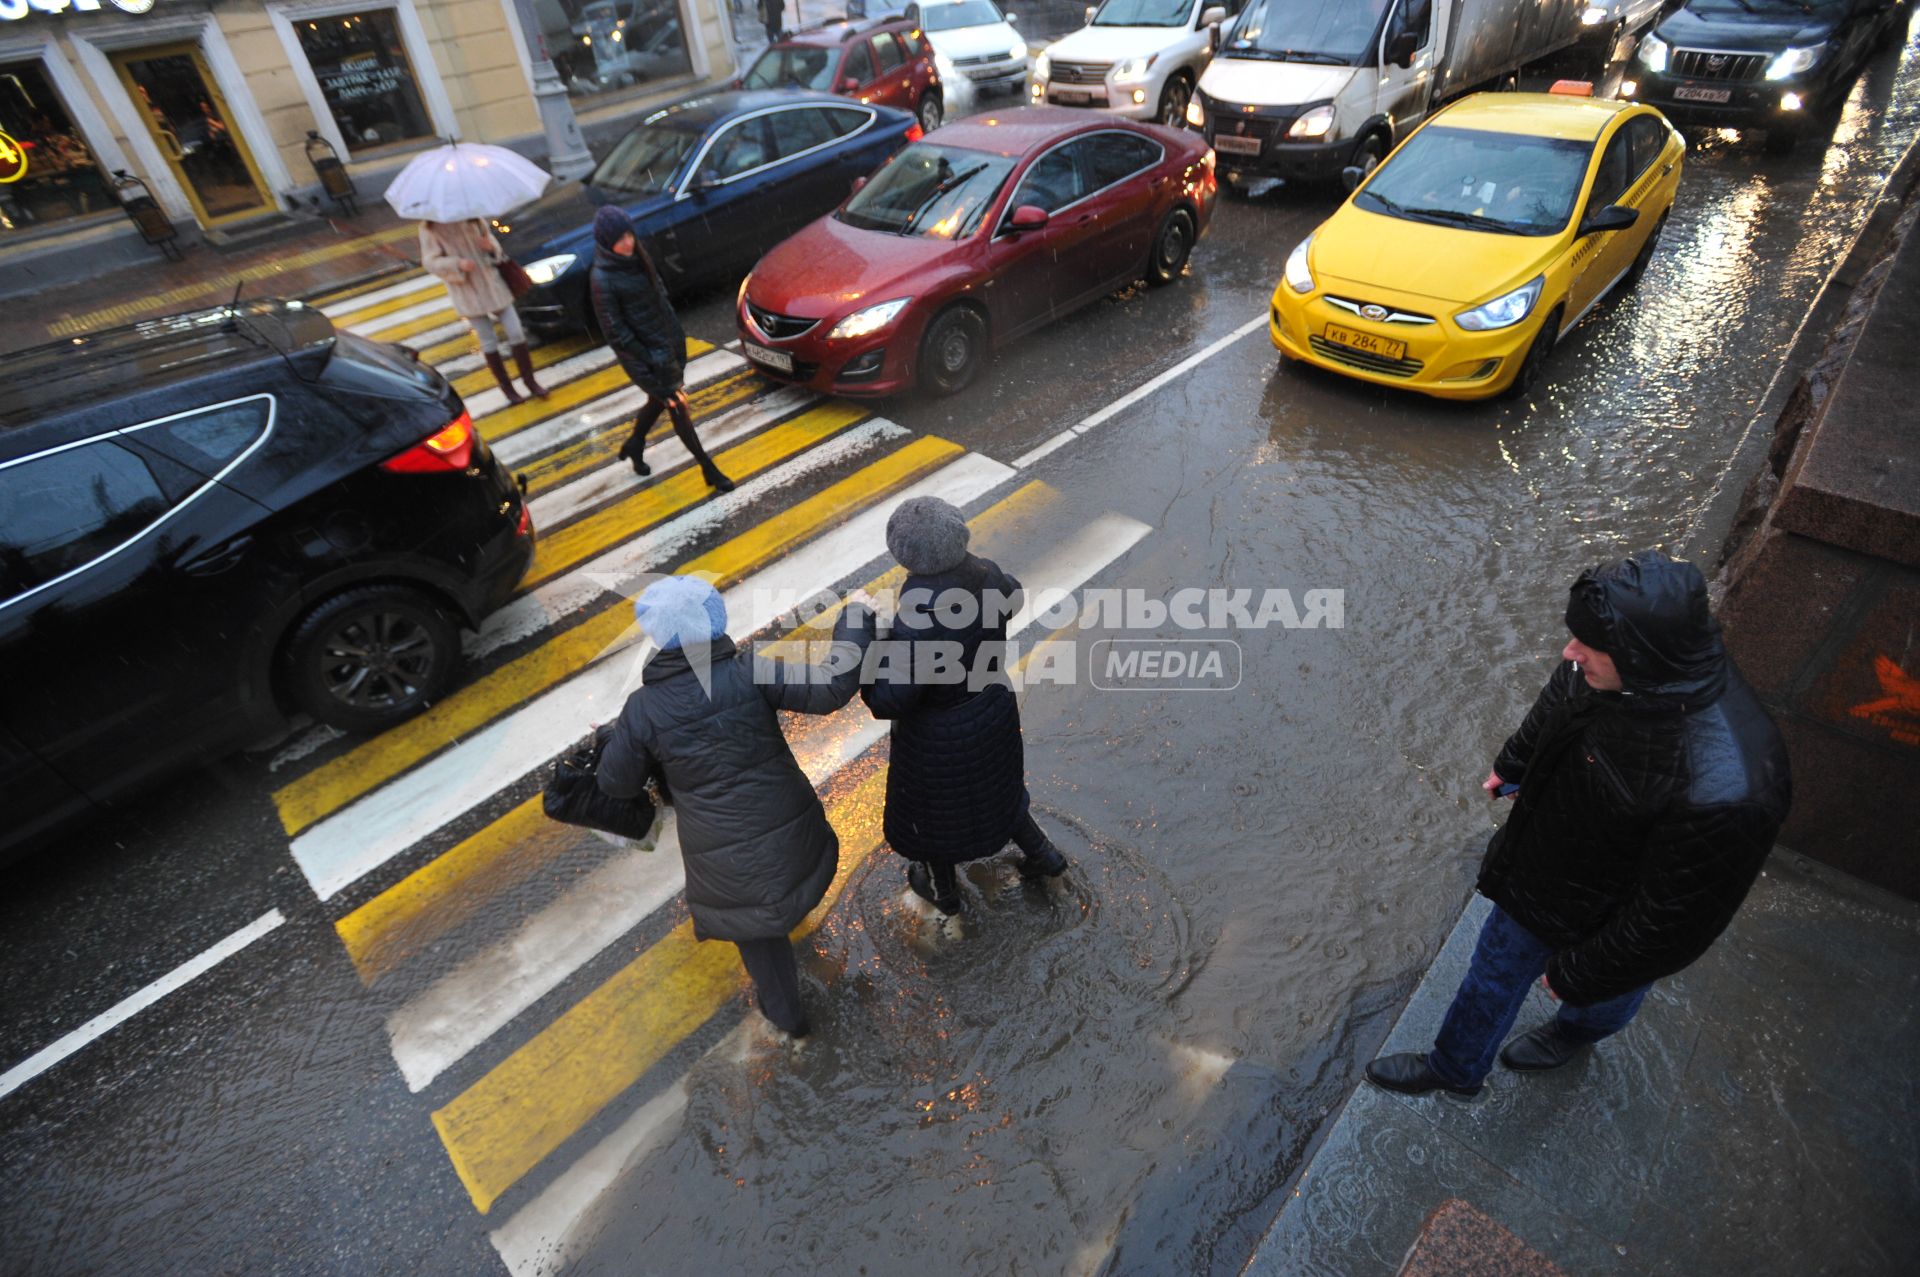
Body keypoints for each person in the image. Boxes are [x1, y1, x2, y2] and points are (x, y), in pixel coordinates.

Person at [1367, 551, 1792, 1099]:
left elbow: (1672, 922)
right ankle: (1454, 1068)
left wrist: (1582, 973)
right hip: (1541, 871)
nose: (1570, 652)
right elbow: (1560, 697)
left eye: (1587, 646)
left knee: (1603, 992)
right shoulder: (1617, 659)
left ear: (1641, 657)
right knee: (1491, 974)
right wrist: (1516, 760)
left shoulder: (1728, 788)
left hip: (1611, 914)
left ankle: (1576, 1031)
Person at [596, 575, 875, 1038]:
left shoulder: (642, 710)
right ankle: (793, 921)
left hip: (722, 864)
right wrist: (857, 618)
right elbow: (830, 688)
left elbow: (615, 782)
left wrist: (613, 738)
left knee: (760, 938)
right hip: (790, 831)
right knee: (786, 890)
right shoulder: (748, 671)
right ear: (713, 621)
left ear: (658, 637)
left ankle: (791, 1026)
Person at [861, 496, 1070, 918]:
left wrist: (870, 648)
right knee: (1002, 793)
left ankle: (944, 896)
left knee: (934, 821)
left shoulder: (917, 618)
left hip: (937, 739)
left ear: (904, 555)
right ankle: (1047, 860)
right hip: (992, 710)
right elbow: (1012, 596)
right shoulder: (986, 574)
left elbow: (888, 700)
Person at [588, 206, 734, 491]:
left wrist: (676, 339)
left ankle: (635, 443)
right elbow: (617, 334)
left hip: (667, 347)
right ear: (607, 242)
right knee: (677, 406)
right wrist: (651, 363)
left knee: (660, 401)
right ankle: (709, 469)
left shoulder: (638, 259)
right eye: (620, 238)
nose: (628, 242)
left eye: (629, 234)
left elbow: (661, 299)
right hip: (646, 359)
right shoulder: (602, 278)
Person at [418, 218, 548, 404]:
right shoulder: (430, 228)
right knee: (488, 342)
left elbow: (495, 248)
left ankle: (530, 382)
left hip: (494, 287)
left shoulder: (474, 219)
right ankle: (508, 389)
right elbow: (430, 262)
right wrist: (457, 264)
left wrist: (491, 247)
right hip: (468, 293)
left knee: (517, 333)